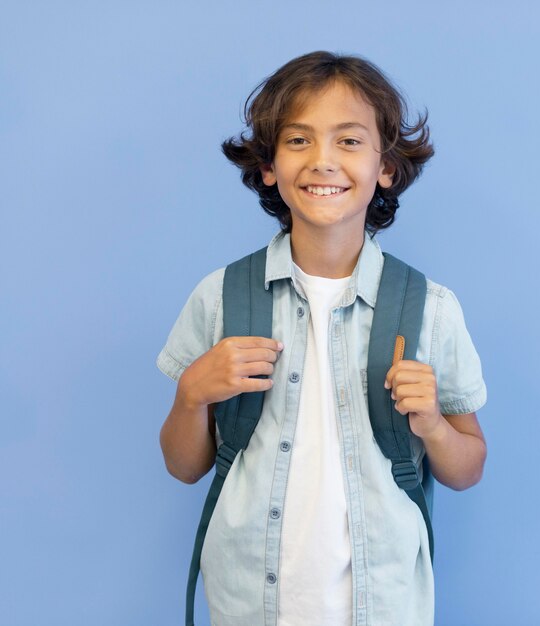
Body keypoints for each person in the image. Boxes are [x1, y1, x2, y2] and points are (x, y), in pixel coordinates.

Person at [157, 51, 487, 626]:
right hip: (247, 604)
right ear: (268, 165)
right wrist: (191, 395)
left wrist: (432, 423)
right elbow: (185, 467)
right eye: (298, 140)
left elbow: (467, 468)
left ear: (386, 165)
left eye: (350, 141)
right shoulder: (219, 297)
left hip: (382, 606)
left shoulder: (430, 308)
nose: (323, 161)